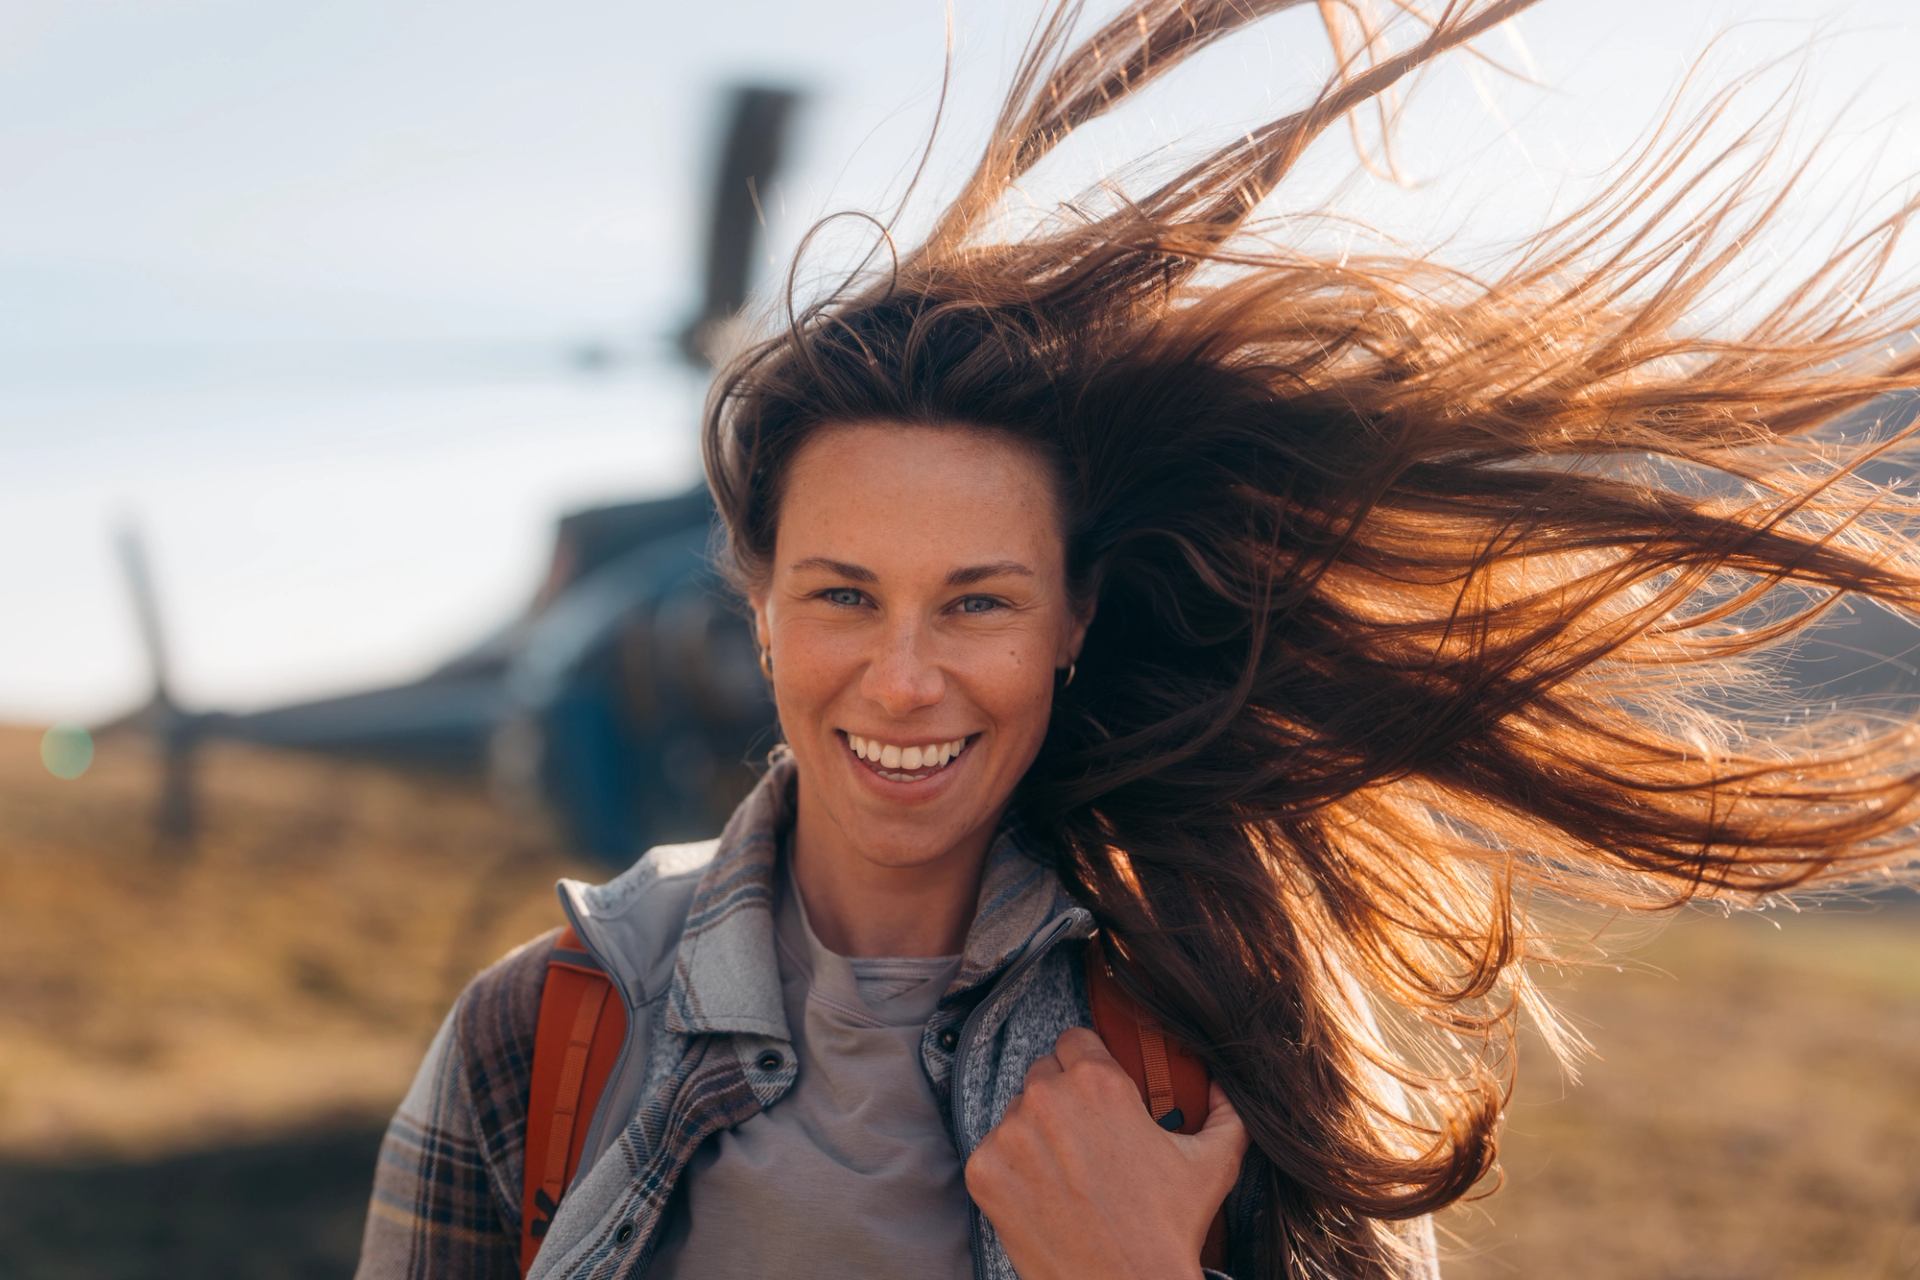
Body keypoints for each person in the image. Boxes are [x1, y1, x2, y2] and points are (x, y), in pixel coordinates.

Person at [355, 1, 1920, 1276]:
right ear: (758, 612)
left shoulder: (1222, 1044)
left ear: (1072, 624)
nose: (905, 677)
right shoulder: (541, 1037)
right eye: (843, 595)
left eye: (978, 601)